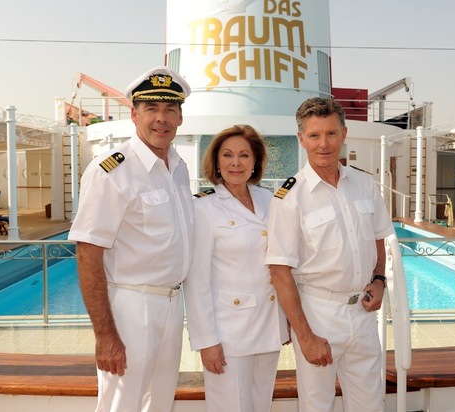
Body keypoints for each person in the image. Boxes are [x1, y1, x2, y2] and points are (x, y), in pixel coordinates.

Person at [68, 66, 193, 412]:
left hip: (171, 304)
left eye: (170, 109)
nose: (161, 118)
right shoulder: (112, 170)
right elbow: (88, 252)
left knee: (160, 401)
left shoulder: (178, 168)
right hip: (131, 307)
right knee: (122, 403)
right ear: (135, 115)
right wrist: (105, 335)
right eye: (151, 109)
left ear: (180, 117)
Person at [265, 97, 394, 411]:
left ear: (344, 134)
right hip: (318, 313)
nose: (323, 144)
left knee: (370, 404)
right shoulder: (289, 197)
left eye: (331, 134)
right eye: (314, 135)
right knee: (317, 405)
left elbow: (379, 239)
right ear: (301, 139)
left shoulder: (365, 184)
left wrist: (379, 281)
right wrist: (305, 336)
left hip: (363, 312)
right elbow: (279, 271)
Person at [184, 124, 288, 412]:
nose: (236, 163)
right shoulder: (204, 208)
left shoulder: (269, 199)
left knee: (261, 405)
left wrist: (287, 319)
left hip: (268, 325)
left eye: (244, 155)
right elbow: (197, 280)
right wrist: (206, 341)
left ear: (255, 161)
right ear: (216, 162)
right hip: (229, 333)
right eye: (227, 155)